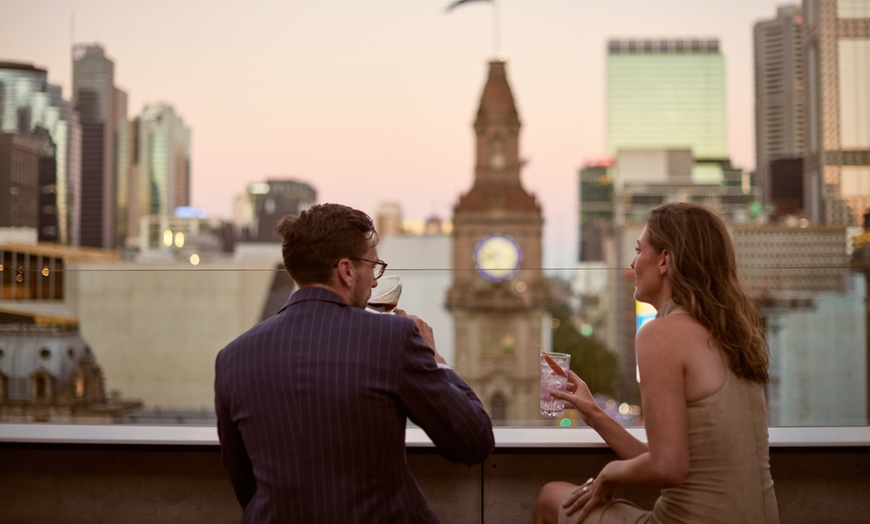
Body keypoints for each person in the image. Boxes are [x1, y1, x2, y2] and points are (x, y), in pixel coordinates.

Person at [214, 203, 494, 523]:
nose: (375, 283)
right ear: (347, 270)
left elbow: (244, 480)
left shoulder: (232, 358)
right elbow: (473, 442)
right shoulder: (393, 338)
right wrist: (436, 361)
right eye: (373, 268)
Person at [534, 202, 779, 524]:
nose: (633, 263)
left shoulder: (660, 334)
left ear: (665, 260)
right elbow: (669, 461)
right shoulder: (734, 336)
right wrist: (593, 413)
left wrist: (608, 475)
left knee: (551, 497)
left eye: (639, 250)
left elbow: (667, 469)